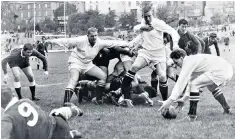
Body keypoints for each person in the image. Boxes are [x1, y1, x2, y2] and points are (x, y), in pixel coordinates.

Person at [46, 27, 129, 105]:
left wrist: (129, 44)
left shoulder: (100, 42)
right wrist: (51, 41)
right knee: (73, 80)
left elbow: (113, 43)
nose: (94, 38)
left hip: (87, 64)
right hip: (76, 62)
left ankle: (98, 99)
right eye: (92, 36)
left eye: (96, 35)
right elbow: (66, 41)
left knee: (103, 76)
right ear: (87, 36)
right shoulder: (80, 40)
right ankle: (66, 104)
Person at [120, 6, 179, 107]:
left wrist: (176, 44)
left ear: (153, 14)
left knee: (163, 76)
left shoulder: (158, 23)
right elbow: (135, 29)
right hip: (146, 52)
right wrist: (142, 28)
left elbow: (173, 31)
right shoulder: (143, 23)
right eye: (145, 16)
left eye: (149, 16)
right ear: (142, 16)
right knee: (134, 67)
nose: (147, 19)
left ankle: (165, 102)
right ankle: (126, 97)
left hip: (159, 53)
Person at [159, 49, 233, 121]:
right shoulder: (191, 60)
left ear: (181, 58)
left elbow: (180, 83)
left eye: (176, 62)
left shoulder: (187, 62)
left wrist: (169, 101)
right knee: (211, 86)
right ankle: (227, 108)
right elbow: (190, 81)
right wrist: (183, 99)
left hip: (222, 69)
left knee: (195, 84)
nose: (176, 65)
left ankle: (192, 116)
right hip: (225, 68)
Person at [1, 84, 83, 139]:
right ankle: (74, 111)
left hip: (53, 137)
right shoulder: (25, 101)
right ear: (13, 94)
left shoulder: (7, 118)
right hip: (59, 124)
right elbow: (40, 114)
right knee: (55, 113)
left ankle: (71, 135)